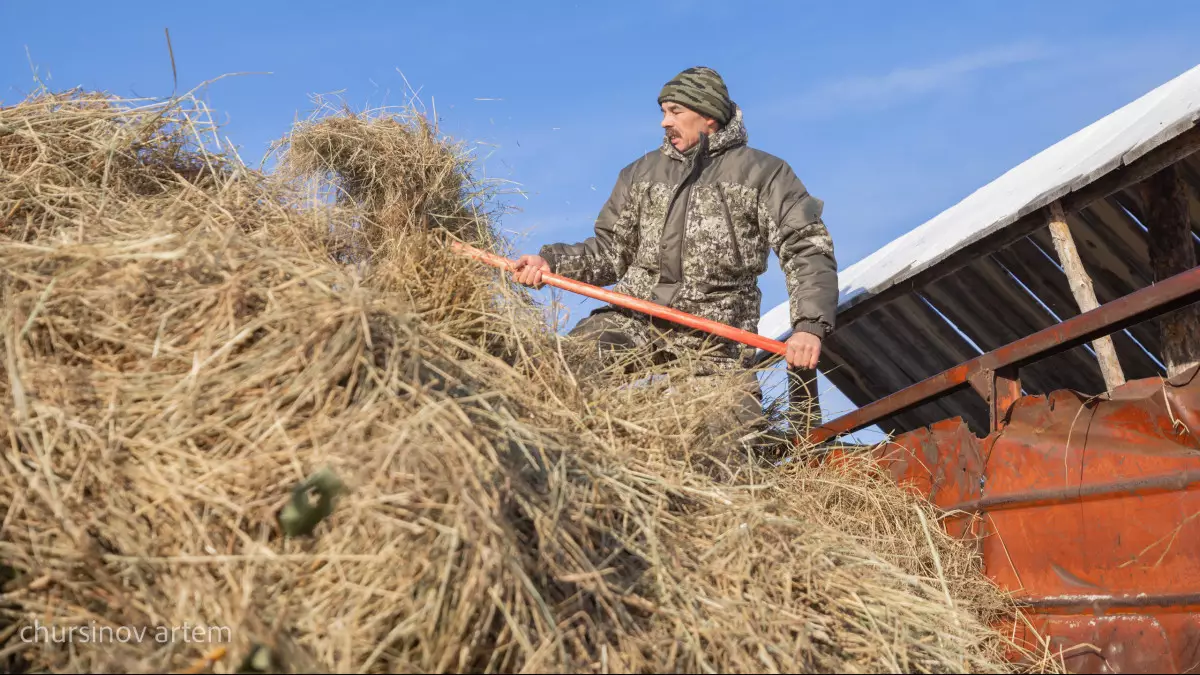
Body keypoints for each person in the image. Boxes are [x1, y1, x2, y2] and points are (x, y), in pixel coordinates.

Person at [512, 66, 838, 433]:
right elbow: (609, 250)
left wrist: (809, 326)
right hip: (635, 316)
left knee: (725, 436)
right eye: (663, 111)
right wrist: (550, 262)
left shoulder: (765, 174)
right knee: (557, 371)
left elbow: (806, 249)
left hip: (715, 336)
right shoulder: (640, 173)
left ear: (709, 115)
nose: (664, 122)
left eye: (676, 111)